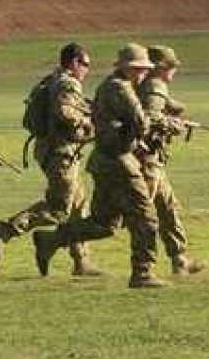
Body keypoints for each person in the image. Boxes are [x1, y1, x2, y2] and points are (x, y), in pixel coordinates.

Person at [33, 43, 165, 288]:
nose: (143, 74)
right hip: (120, 163)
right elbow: (141, 123)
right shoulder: (122, 89)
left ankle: (50, 240)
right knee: (146, 218)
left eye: (144, 69)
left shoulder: (107, 85)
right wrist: (165, 124)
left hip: (103, 161)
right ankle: (142, 273)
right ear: (127, 68)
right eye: (138, 69)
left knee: (103, 223)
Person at [0, 43, 100, 275]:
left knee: (79, 206)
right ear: (74, 62)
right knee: (59, 209)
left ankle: (81, 261)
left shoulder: (51, 80)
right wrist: (89, 123)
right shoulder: (68, 83)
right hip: (61, 153)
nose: (87, 70)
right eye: (86, 64)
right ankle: (7, 229)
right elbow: (65, 112)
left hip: (52, 149)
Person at [139, 45, 205, 276]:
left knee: (167, 208)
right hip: (146, 159)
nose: (174, 70)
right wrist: (174, 124)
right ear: (161, 68)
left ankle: (179, 259)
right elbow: (150, 118)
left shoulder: (146, 85)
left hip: (151, 159)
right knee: (123, 217)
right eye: (171, 66)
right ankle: (56, 240)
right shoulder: (156, 86)